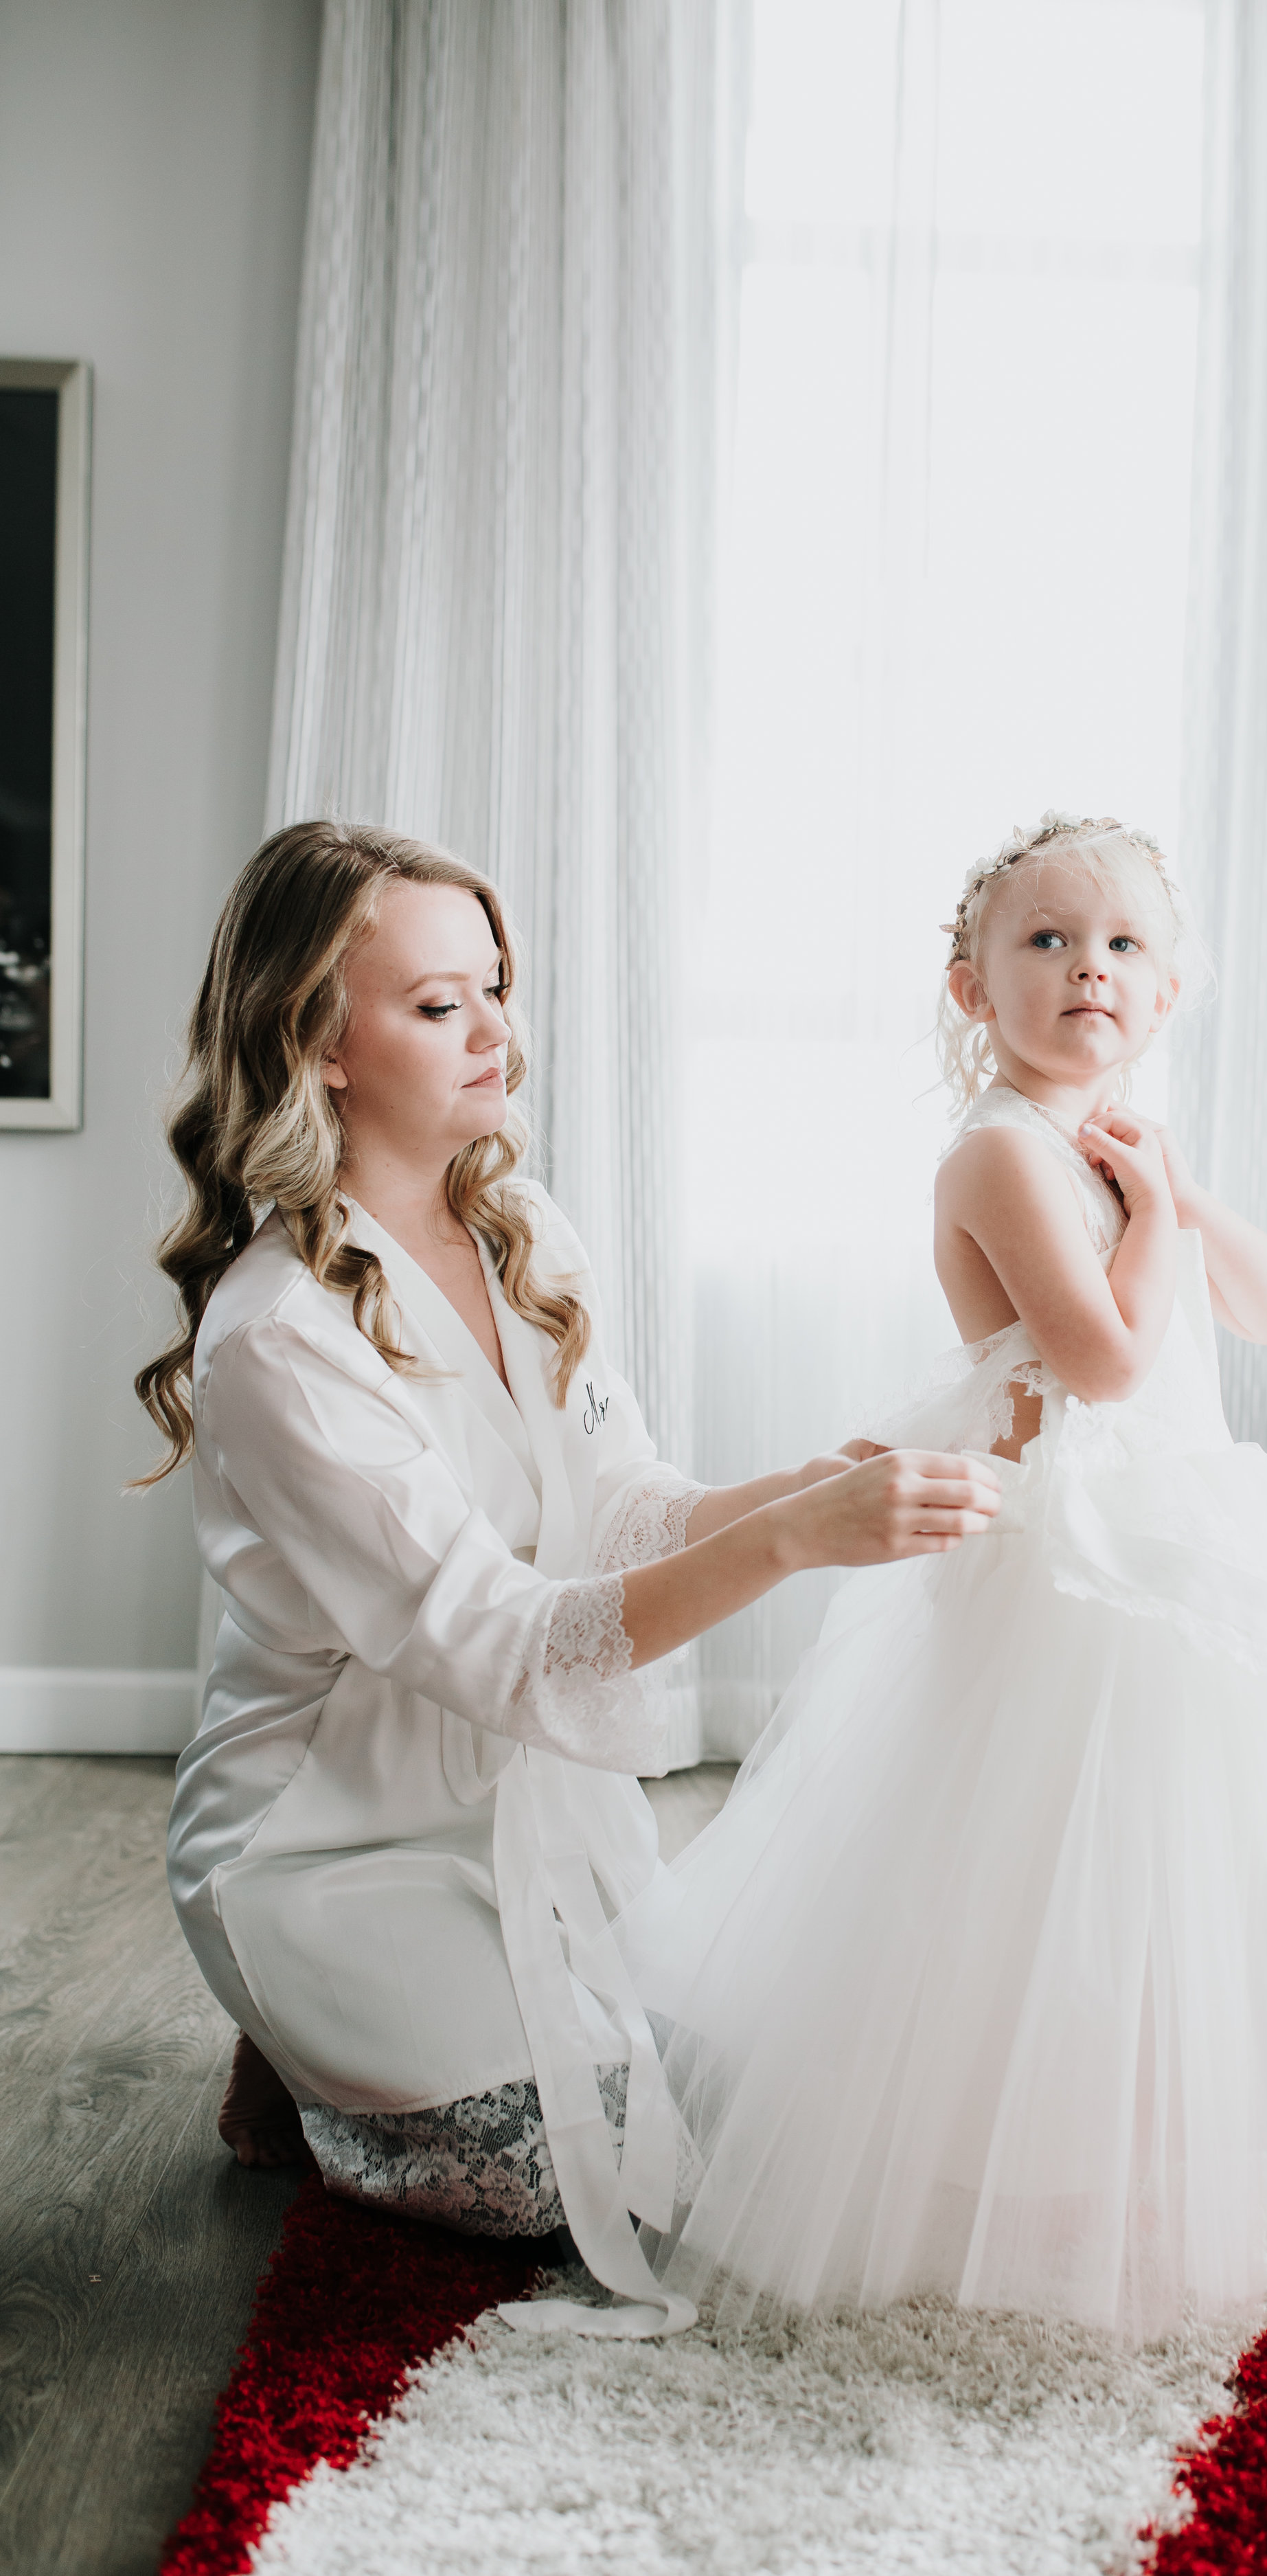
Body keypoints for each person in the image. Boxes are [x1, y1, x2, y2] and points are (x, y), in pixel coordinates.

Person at [617, 812, 1267, 2345]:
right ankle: (1024, 2161)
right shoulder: (995, 1149)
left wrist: (1175, 1188)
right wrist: (1155, 1214)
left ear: (1165, 993)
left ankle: (1184, 2128)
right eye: (1044, 940)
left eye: (1121, 946)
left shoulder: (1119, 1145)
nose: (1086, 967)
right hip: (1069, 1545)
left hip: (1187, 1520)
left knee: (1219, 1846)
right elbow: (1103, 1361)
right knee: (1047, 1862)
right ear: (973, 988)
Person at [138, 820, 998, 2339]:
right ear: (319, 1043)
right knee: (561, 2178)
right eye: (439, 1004)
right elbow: (508, 1645)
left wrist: (796, 1489)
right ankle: (304, 2048)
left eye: (497, 988)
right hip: (335, 1843)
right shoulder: (276, 1340)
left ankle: (357, 2059)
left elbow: (619, 1508)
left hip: (527, 1811)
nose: (497, 1033)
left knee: (731, 2113)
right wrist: (795, 1539)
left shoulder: (519, 1229)